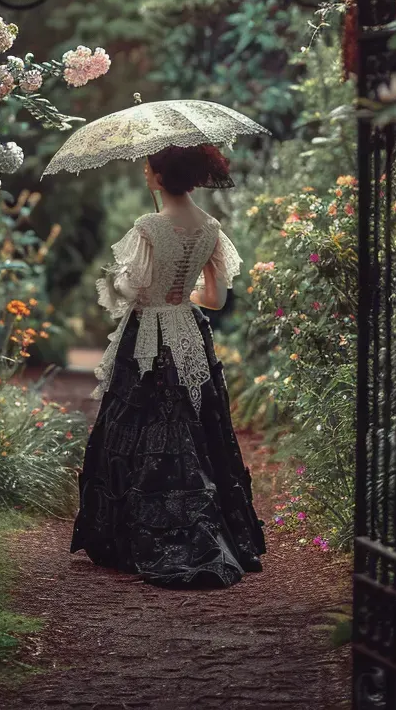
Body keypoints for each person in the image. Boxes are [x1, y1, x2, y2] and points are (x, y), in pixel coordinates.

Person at [70, 143, 266, 588]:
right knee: (195, 421)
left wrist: (118, 281)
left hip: (148, 335)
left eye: (148, 165)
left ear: (160, 176)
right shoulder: (211, 228)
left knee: (141, 420)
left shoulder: (148, 226)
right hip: (189, 333)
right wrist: (183, 295)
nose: (144, 171)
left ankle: (136, 532)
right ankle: (209, 524)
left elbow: (128, 292)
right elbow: (214, 300)